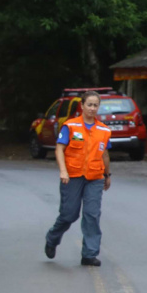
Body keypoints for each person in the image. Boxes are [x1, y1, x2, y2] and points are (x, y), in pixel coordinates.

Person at [44, 90, 112, 266]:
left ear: (98, 107)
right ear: (82, 106)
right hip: (72, 176)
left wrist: (107, 175)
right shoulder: (70, 126)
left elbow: (104, 154)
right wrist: (63, 171)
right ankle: (52, 238)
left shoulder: (104, 130)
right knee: (69, 215)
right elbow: (59, 149)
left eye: (95, 105)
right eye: (89, 104)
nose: (92, 108)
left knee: (92, 214)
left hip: (95, 177)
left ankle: (89, 254)